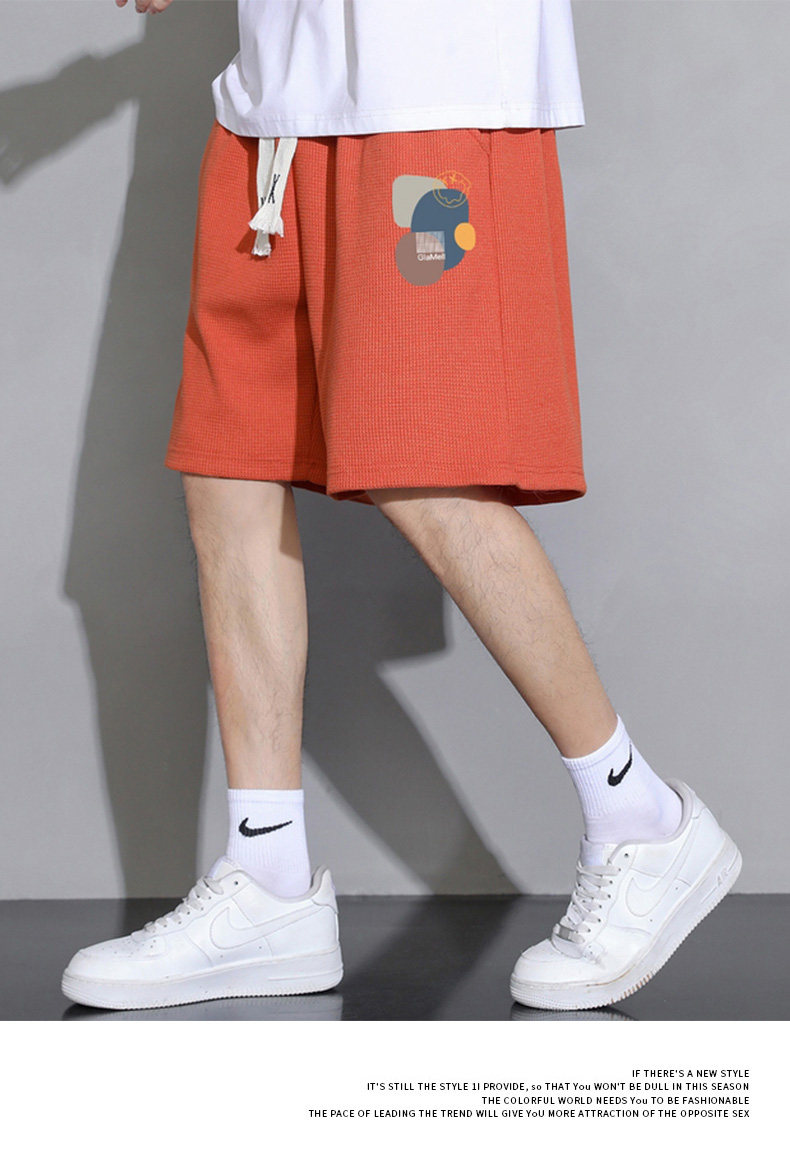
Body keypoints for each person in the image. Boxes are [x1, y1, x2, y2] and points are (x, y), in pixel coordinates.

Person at [61, 0, 741, 1013]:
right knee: (229, 468)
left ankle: (639, 816)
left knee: (424, 463)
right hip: (276, 101)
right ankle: (268, 880)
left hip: (425, 84)